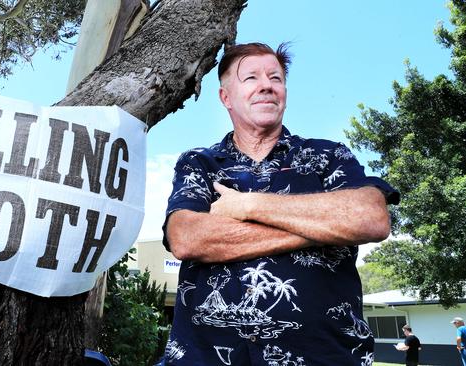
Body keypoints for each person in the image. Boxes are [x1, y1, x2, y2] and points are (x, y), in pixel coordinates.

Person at [161, 42, 399, 365]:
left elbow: (371, 217)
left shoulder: (327, 157)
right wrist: (325, 227)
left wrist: (249, 207)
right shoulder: (199, 164)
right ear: (225, 97)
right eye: (251, 78)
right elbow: (187, 237)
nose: (266, 86)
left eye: (276, 78)